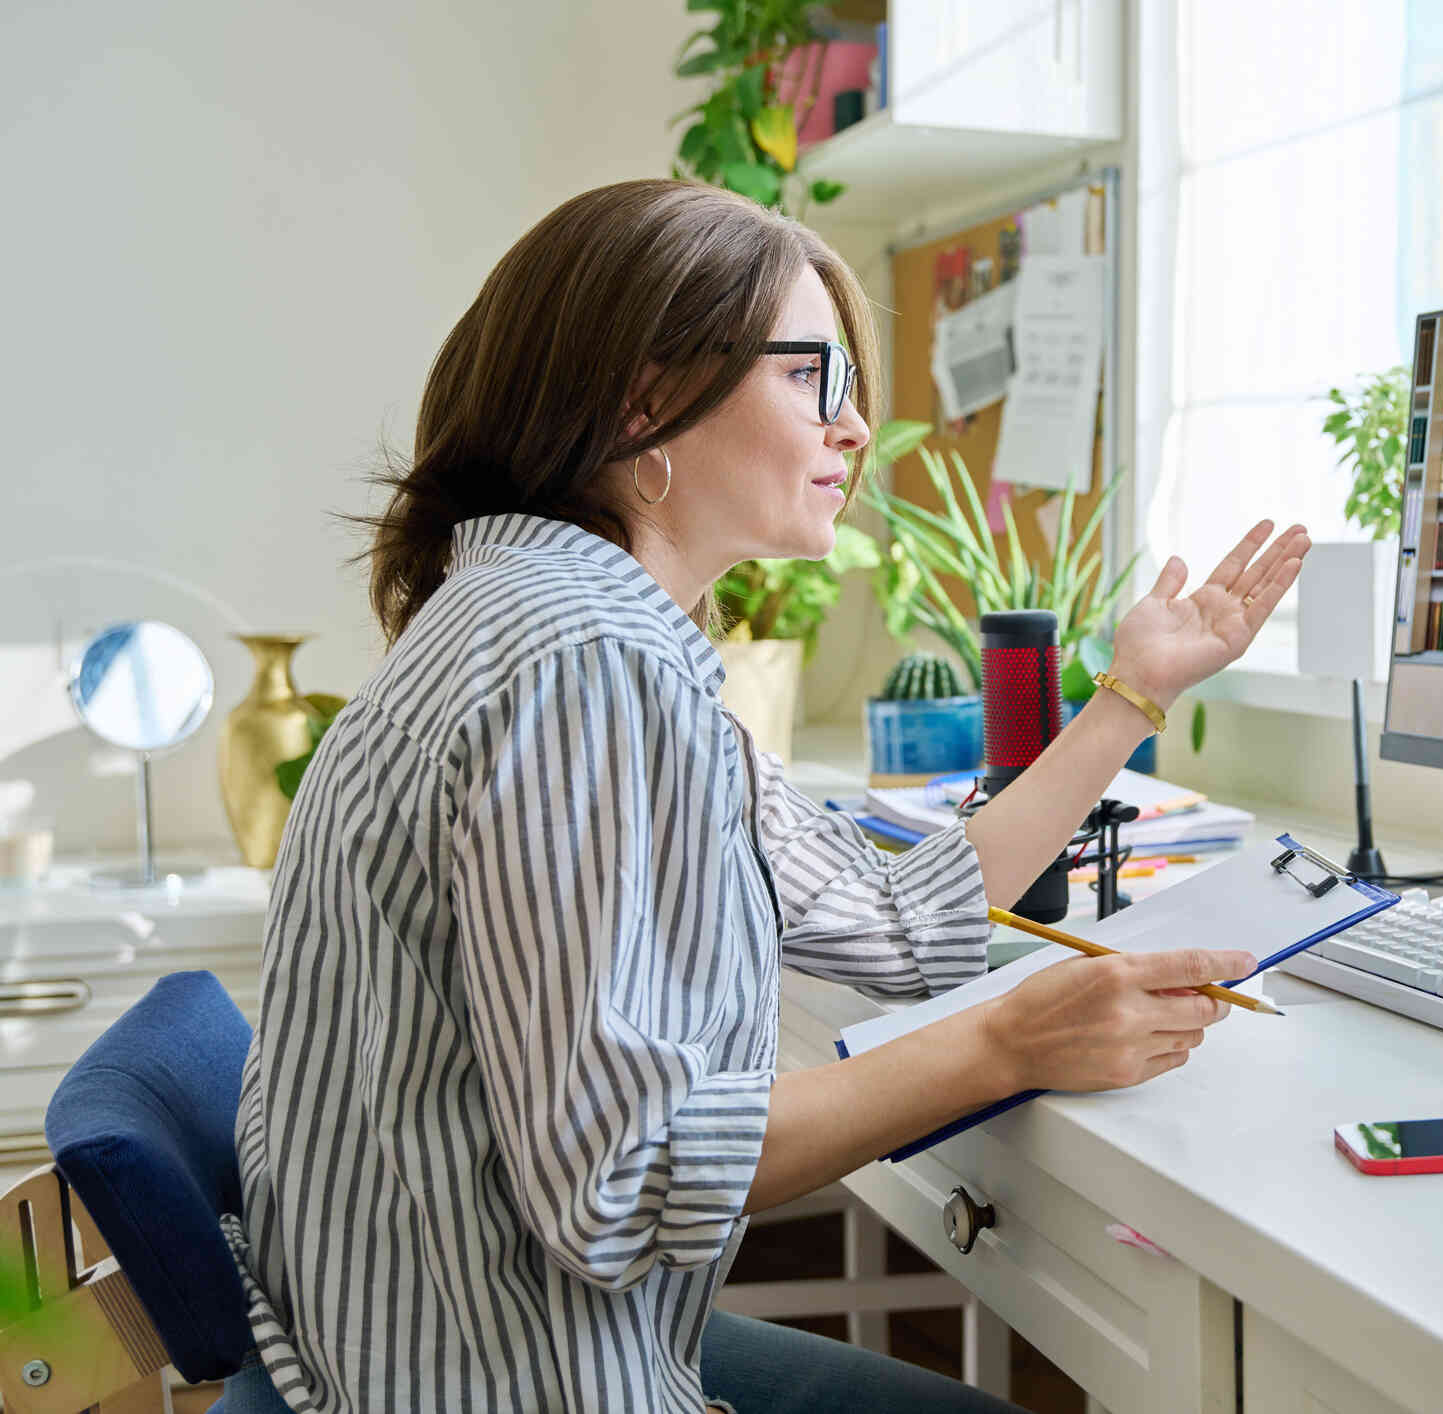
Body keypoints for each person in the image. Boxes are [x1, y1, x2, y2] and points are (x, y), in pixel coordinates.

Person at [216, 179, 1309, 1414]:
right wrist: (1007, 1038)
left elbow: (900, 915)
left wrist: (1129, 696)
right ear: (646, 396)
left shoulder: (584, 633)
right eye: (816, 380)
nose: (853, 433)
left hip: (429, 1350)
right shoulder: (583, 663)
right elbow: (621, 1182)